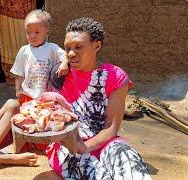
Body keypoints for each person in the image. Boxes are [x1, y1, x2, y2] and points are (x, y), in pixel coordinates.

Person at [40, 17, 152, 179]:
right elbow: (51, 117)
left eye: (78, 47)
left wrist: (85, 146)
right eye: (67, 48)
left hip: (105, 141)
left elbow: (111, 128)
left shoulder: (115, 77)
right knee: (94, 173)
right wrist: (75, 145)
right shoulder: (60, 75)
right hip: (68, 144)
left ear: (97, 46)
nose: (71, 54)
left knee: (128, 162)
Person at [10, 9, 69, 104]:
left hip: (48, 96)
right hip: (27, 95)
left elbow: (66, 56)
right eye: (29, 32)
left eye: (37, 32)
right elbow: (18, 74)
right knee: (29, 116)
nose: (32, 36)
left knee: (45, 116)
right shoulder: (24, 50)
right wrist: (18, 90)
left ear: (47, 32)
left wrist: (64, 64)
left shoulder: (52, 48)